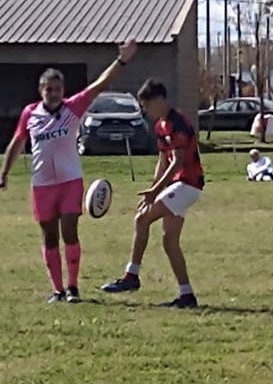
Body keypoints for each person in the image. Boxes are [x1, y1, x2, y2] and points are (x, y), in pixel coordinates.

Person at [0, 40, 138, 304]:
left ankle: (73, 288)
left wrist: (122, 61)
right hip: (41, 184)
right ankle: (57, 289)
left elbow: (100, 85)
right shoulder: (30, 114)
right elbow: (17, 143)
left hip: (69, 181)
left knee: (69, 230)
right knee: (48, 235)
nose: (53, 93)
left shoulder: (72, 108)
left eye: (57, 89)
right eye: (48, 89)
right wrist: (4, 173)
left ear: (63, 90)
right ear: (40, 90)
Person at [101, 79, 205, 308]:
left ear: (159, 100)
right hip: (178, 187)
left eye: (147, 106)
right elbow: (163, 161)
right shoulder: (160, 125)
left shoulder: (177, 122)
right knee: (169, 242)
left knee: (142, 219)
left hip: (188, 185)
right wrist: (152, 190)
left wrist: (155, 192)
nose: (145, 111)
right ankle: (187, 295)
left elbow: (177, 162)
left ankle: (131, 276)